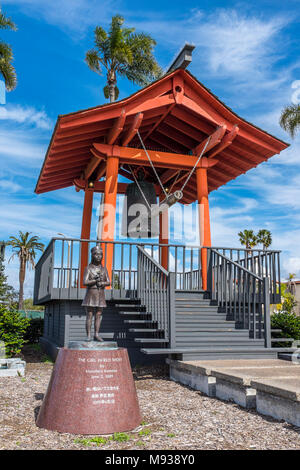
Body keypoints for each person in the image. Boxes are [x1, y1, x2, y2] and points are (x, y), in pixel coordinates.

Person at [81, 245, 110, 341]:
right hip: (91, 294)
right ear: (92, 255)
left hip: (100, 294)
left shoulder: (104, 269)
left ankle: (96, 334)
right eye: (96, 254)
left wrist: (102, 283)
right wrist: (94, 280)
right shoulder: (88, 268)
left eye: (100, 254)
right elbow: (85, 282)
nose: (99, 256)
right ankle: (88, 335)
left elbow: (109, 282)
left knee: (98, 315)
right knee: (89, 315)